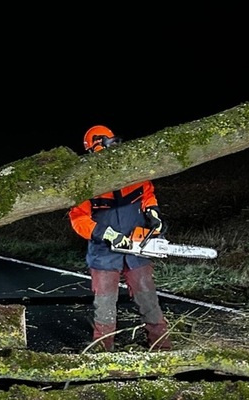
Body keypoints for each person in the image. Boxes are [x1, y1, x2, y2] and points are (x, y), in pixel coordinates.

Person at [68, 125, 172, 351]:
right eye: (108, 145)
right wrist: (106, 234)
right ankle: (104, 352)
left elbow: (147, 194)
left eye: (114, 144)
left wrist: (153, 214)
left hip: (137, 248)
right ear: (96, 148)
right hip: (105, 251)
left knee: (148, 298)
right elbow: (78, 218)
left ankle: (162, 348)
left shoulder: (131, 171)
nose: (114, 149)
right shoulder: (86, 183)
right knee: (105, 304)